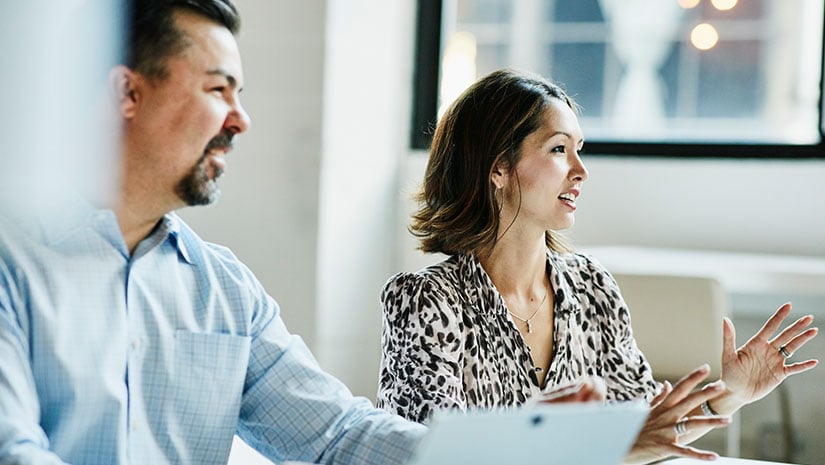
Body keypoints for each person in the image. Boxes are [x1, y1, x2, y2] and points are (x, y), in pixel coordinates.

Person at [0, 1, 427, 464]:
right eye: (218, 89)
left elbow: (336, 434)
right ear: (127, 91)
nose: (241, 119)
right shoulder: (12, 260)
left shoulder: (226, 290)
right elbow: (13, 450)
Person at [376, 68, 819, 464]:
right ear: (499, 167)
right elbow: (430, 459)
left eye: (579, 150)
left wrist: (729, 395)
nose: (581, 171)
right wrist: (621, 451)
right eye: (558, 149)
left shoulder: (590, 285)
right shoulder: (425, 302)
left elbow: (650, 430)